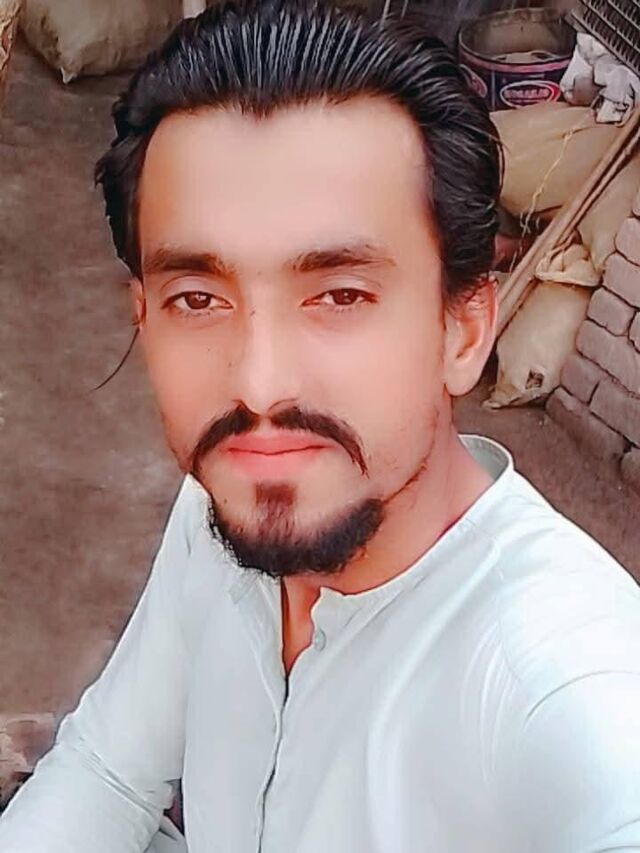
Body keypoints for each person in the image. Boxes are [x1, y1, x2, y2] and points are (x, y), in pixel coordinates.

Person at [1, 1, 639, 850]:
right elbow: (110, 766)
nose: (259, 386)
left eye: (340, 295)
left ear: (464, 330)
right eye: (199, 299)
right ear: (143, 317)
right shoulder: (223, 501)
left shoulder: (564, 690)